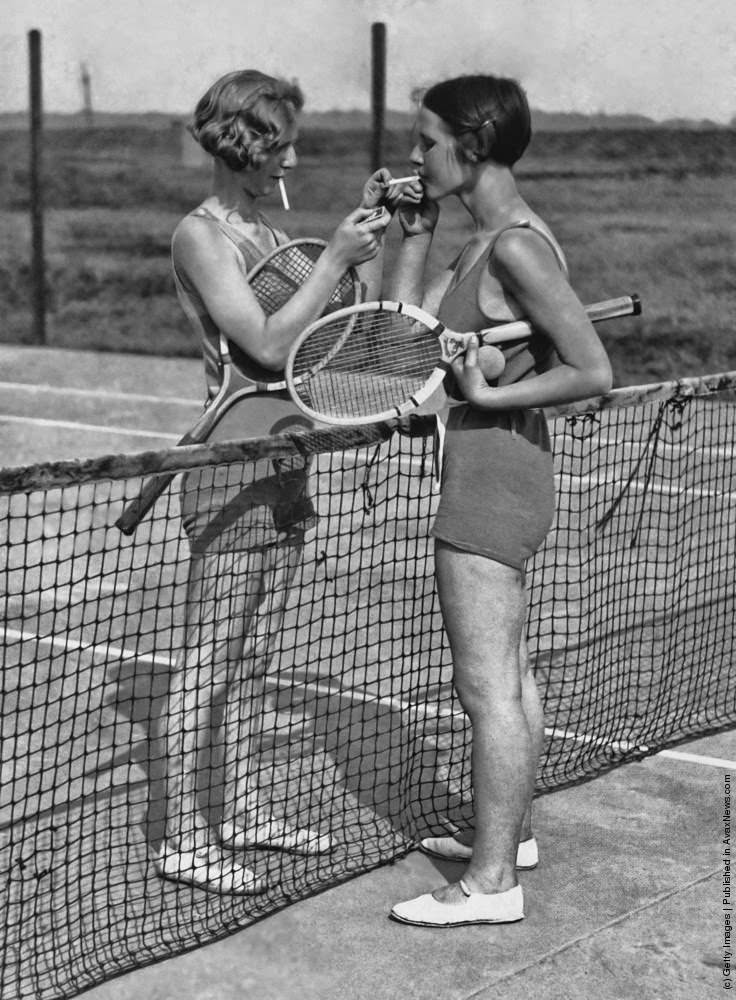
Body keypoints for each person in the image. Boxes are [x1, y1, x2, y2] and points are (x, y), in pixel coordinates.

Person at [382, 74, 613, 926]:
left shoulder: (517, 245)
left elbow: (591, 372)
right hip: (500, 463)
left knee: (485, 688)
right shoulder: (488, 238)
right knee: (508, 676)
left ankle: (489, 886)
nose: (414, 154)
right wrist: (416, 231)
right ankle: (508, 837)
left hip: (494, 471)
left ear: (471, 146)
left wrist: (482, 393)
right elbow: (400, 335)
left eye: (427, 140)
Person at [153, 69, 390, 895]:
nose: (294, 152)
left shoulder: (259, 225)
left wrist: (365, 245)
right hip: (230, 469)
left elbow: (334, 335)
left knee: (253, 658)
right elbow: (259, 343)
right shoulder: (202, 236)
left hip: (289, 458)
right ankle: (184, 836)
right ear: (248, 144)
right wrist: (332, 255)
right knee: (209, 660)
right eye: (282, 139)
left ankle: (246, 809)